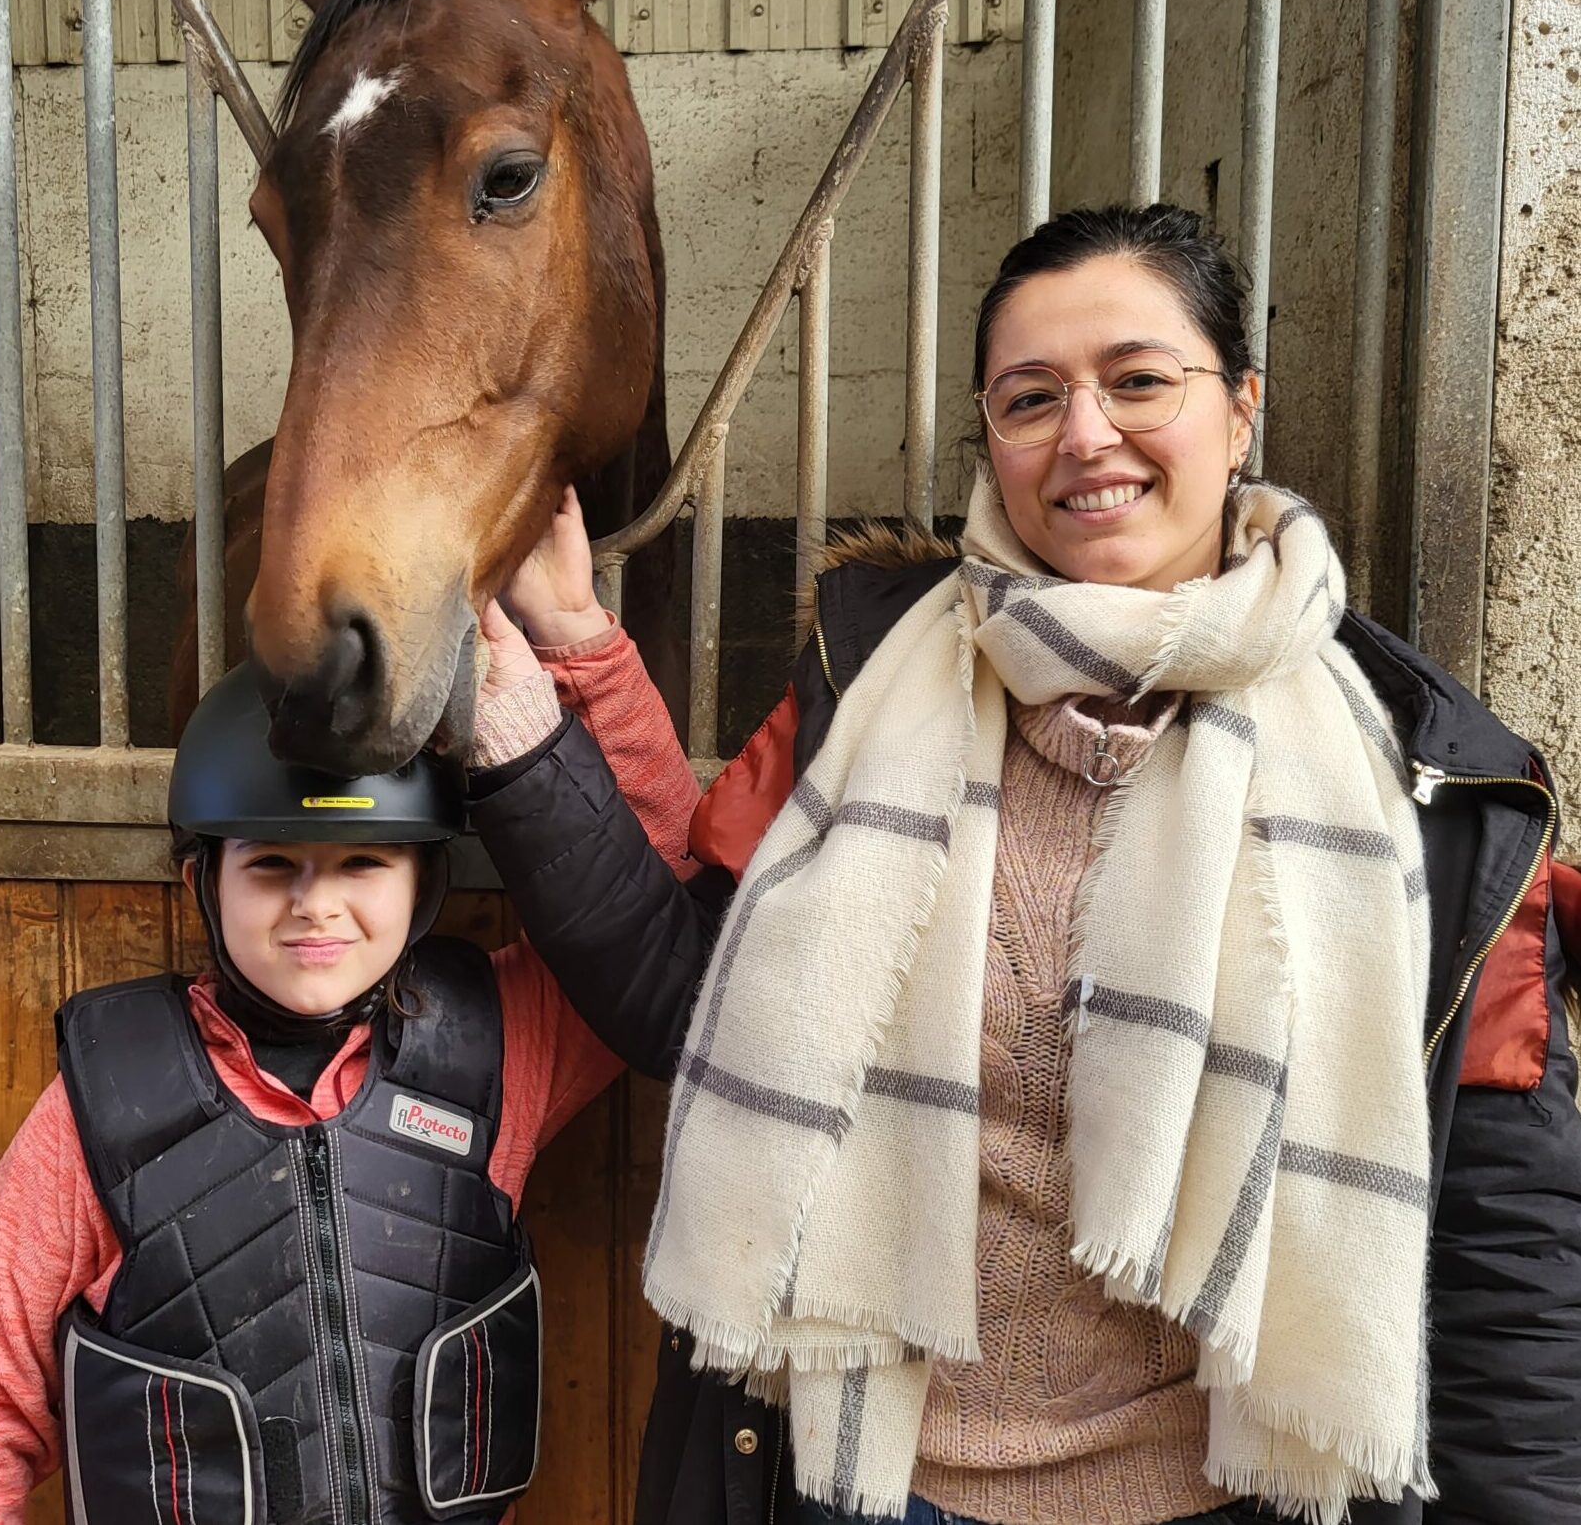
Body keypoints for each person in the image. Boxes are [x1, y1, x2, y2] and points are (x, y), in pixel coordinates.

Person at [464, 205, 1581, 1525]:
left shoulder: (1426, 786)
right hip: (875, 1487)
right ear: (991, 440)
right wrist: (530, 722)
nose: (1085, 434)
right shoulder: (862, 691)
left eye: (1138, 380)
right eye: (1030, 396)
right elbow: (682, 995)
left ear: (1239, 410)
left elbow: (1507, 1249)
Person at [0, 627, 699, 1525]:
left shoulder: (499, 1044)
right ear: (203, 877)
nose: (315, 904)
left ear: (422, 880)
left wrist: (567, 636)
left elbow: (651, 881)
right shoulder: (109, 1101)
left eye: (364, 862)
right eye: (272, 863)